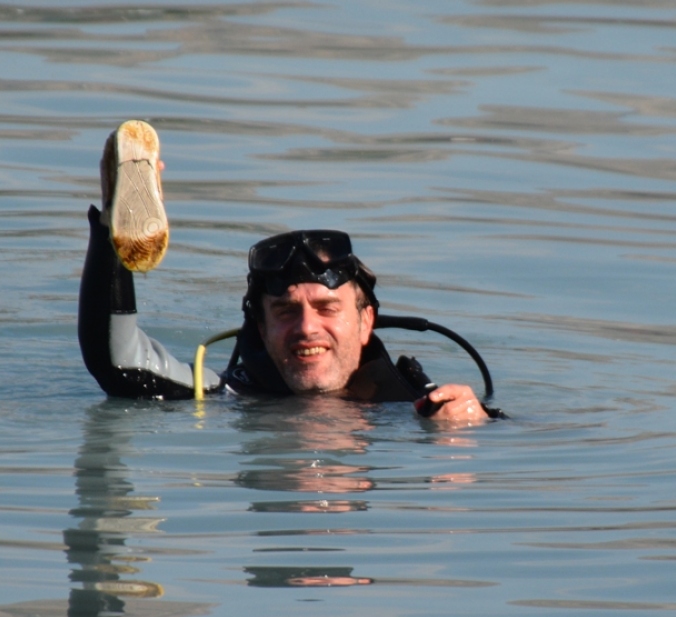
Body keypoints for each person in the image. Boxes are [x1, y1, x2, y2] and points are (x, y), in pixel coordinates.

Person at [78, 121, 491, 425]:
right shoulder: (228, 395)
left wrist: (477, 425)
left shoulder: (422, 408)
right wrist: (111, 233)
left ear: (366, 322)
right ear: (259, 326)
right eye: (285, 311)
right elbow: (119, 364)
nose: (307, 327)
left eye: (328, 308)